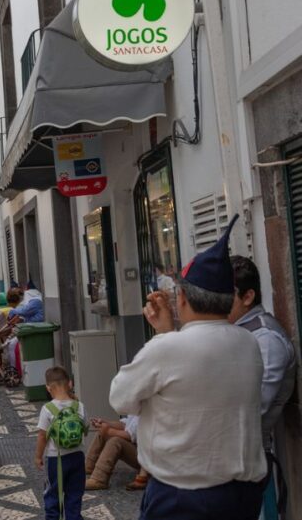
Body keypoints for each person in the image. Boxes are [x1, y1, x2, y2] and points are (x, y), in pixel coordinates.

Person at [109, 217, 267, 520]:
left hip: (182, 497)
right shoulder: (249, 343)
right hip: (243, 494)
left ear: (182, 300)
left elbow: (121, 398)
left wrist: (164, 337)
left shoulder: (167, 348)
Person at [229, 255, 297, 520]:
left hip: (251, 459)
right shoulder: (236, 331)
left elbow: (255, 408)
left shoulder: (266, 339)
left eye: (227, 296)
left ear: (248, 297)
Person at [35, 366, 87, 520]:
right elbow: (85, 428)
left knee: (53, 494)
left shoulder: (48, 408)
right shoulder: (79, 406)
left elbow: (42, 436)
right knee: (74, 494)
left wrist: (38, 456)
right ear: (70, 384)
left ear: (48, 388)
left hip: (56, 459)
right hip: (77, 457)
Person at [84, 415, 140, 490]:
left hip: (146, 458)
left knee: (116, 441)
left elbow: (131, 435)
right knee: (101, 432)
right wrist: (105, 424)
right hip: (139, 450)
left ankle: (99, 479)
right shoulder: (136, 410)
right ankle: (89, 467)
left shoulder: (147, 410)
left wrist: (109, 431)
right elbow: (126, 425)